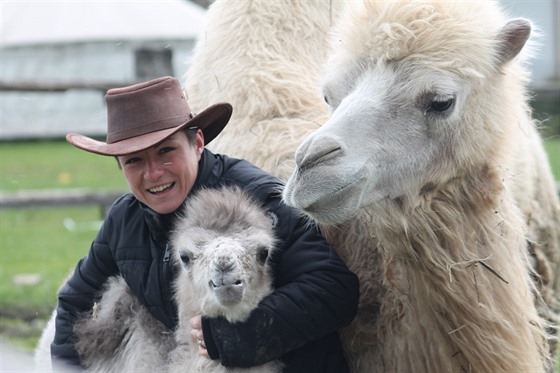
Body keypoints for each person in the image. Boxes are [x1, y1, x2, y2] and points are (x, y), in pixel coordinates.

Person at [51, 76, 359, 372]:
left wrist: (235, 337)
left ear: (197, 143)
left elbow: (333, 289)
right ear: (120, 167)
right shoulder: (125, 221)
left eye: (166, 151)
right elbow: (76, 301)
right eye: (134, 161)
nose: (154, 173)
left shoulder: (254, 200)